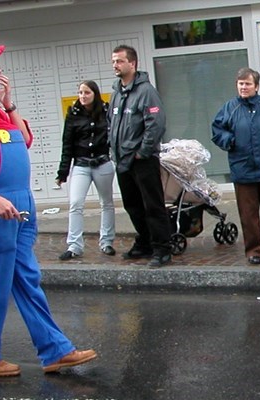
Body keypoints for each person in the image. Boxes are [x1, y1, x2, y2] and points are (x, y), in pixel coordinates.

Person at [0, 42, 96, 377]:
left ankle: (55, 350)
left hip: (17, 205)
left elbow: (23, 139)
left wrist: (9, 106)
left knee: (26, 278)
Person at [212, 67, 260, 265]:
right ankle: (253, 251)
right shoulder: (229, 108)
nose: (244, 87)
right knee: (248, 215)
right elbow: (217, 130)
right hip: (242, 169)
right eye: (240, 84)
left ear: (256, 86)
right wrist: (229, 140)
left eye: (247, 84)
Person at [108, 44, 172, 268]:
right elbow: (111, 124)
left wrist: (142, 152)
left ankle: (163, 248)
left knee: (152, 205)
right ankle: (144, 242)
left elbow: (155, 124)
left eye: (119, 61)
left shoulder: (146, 91)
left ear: (132, 64)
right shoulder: (116, 93)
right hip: (122, 159)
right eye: (114, 61)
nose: (115, 65)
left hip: (141, 160)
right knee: (132, 205)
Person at [56, 80, 116, 260]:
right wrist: (63, 172)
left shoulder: (106, 111)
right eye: (80, 93)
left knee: (106, 203)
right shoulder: (73, 115)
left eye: (87, 92)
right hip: (81, 165)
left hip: (103, 163)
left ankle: (106, 241)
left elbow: (114, 135)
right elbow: (67, 144)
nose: (82, 96)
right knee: (75, 203)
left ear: (95, 94)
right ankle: (74, 245)